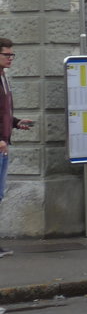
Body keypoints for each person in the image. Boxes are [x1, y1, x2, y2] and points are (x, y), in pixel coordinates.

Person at [0, 37, 34, 258]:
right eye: (6, 55)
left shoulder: (4, 78)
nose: (11, 58)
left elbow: (3, 113)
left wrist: (16, 122)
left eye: (12, 55)